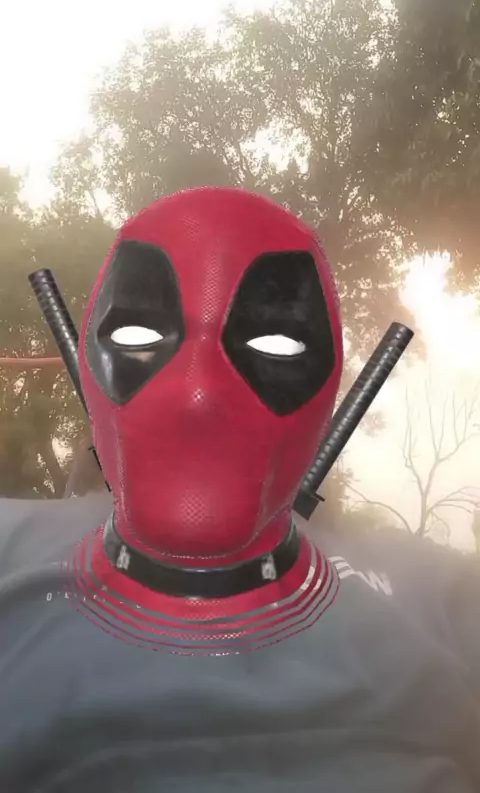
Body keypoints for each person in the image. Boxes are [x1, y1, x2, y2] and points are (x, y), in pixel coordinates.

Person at [1, 187, 480, 793]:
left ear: (329, 379)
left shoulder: (444, 601)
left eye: (276, 342)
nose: (198, 394)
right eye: (139, 332)